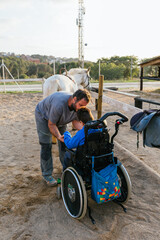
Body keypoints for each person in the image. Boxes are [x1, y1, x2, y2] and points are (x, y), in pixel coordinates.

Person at [35, 89, 91, 186]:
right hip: (44, 116)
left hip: (61, 119)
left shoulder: (76, 107)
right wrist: (58, 136)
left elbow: (76, 122)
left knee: (65, 145)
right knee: (46, 145)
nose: (81, 108)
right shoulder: (59, 105)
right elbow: (51, 124)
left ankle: (67, 168)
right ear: (74, 99)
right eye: (81, 105)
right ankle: (47, 175)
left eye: (84, 106)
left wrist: (86, 131)